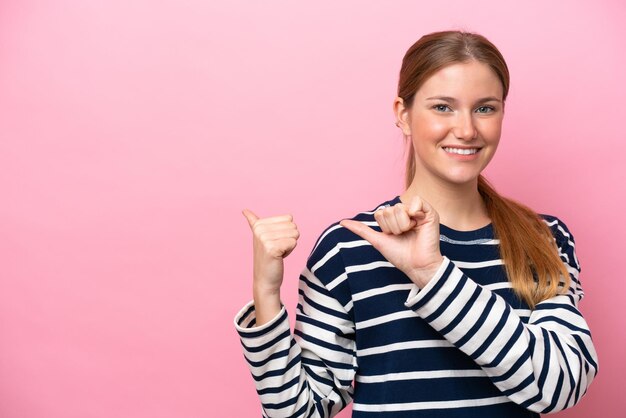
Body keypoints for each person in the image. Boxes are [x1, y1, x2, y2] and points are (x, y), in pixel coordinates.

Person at [235, 30, 598, 417]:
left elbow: (559, 386)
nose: (466, 130)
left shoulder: (543, 238)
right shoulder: (348, 247)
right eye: (443, 107)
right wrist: (266, 295)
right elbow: (298, 413)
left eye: (485, 108)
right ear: (403, 115)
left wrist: (432, 274)